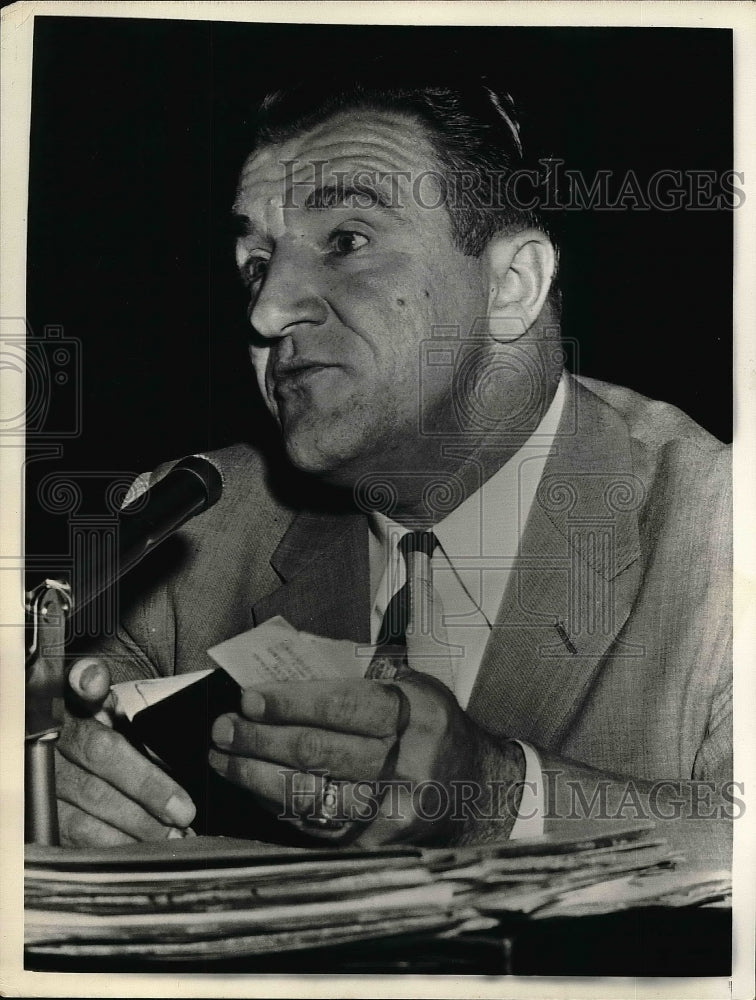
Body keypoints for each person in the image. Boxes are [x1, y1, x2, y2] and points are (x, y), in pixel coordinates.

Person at [53, 72, 733, 864]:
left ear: (511, 287)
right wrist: (42, 785)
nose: (267, 312)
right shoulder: (188, 527)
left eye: (346, 241)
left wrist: (501, 800)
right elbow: (54, 734)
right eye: (255, 262)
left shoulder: (720, 531)